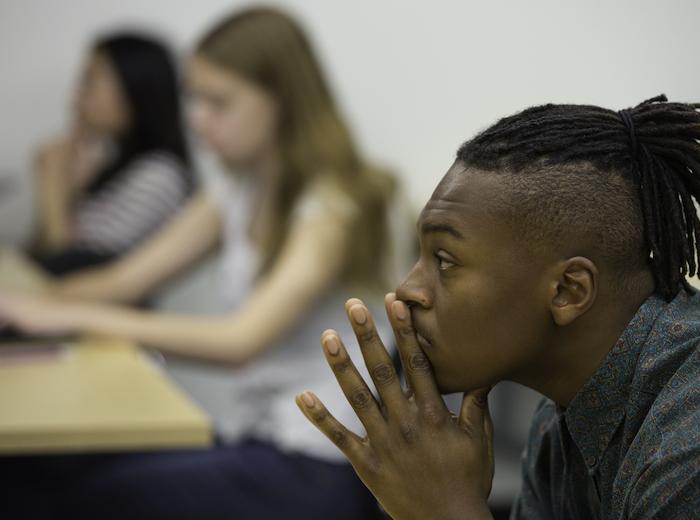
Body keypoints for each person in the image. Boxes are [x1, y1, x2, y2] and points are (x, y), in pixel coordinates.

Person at [0, 7, 406, 519]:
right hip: (258, 441)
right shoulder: (235, 192)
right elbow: (123, 280)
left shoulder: (335, 203)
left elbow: (240, 342)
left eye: (218, 102)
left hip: (320, 464)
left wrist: (67, 315)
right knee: (43, 470)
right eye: (194, 98)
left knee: (67, 494)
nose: (196, 119)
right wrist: (28, 305)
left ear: (282, 102)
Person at [295, 95, 700, 519]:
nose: (406, 291)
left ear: (569, 291)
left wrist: (445, 512)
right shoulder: (563, 418)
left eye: (444, 261)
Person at [31, 33, 194, 276]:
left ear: (135, 87)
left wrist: (53, 182)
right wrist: (69, 191)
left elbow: (71, 270)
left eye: (89, 81)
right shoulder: (112, 165)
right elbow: (38, 255)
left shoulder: (160, 176)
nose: (76, 97)